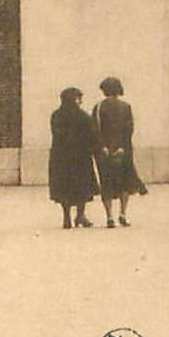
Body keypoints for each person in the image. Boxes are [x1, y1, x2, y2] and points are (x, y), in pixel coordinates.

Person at [93, 77, 145, 229]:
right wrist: (122, 147)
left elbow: (95, 130)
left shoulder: (98, 107)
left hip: (104, 152)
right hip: (123, 151)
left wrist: (103, 147)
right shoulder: (126, 107)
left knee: (107, 184)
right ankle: (123, 214)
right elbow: (129, 129)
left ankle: (109, 216)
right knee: (124, 184)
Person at [48, 87, 99, 230]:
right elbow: (91, 136)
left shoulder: (56, 115)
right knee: (82, 186)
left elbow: (56, 134)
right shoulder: (83, 116)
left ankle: (66, 217)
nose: (80, 101)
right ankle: (80, 215)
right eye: (79, 98)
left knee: (64, 187)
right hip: (80, 157)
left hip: (61, 157)